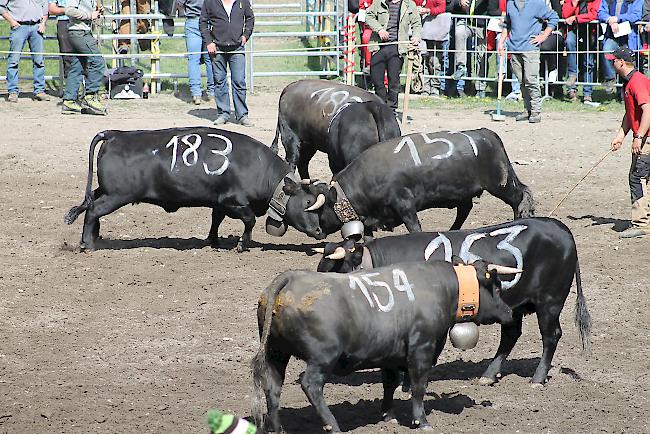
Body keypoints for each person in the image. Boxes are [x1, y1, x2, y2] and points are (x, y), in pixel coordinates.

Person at [608, 47, 650, 238]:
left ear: (621, 62)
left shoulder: (636, 83)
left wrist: (639, 137)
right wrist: (620, 136)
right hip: (643, 136)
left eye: (613, 60)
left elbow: (648, 110)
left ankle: (642, 224)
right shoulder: (630, 83)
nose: (611, 63)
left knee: (637, 177)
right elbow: (631, 113)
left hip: (646, 138)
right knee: (644, 177)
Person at [498, 0, 558, 123]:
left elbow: (554, 18)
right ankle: (527, 109)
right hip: (514, 48)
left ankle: (536, 111)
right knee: (521, 81)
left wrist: (544, 36)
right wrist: (501, 41)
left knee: (531, 80)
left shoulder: (537, 3)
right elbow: (506, 24)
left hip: (530, 48)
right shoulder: (510, 4)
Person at [200, 0, 255, 126]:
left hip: (237, 47)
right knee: (219, 81)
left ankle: (242, 115)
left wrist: (246, 35)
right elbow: (203, 22)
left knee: (239, 81)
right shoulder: (210, 2)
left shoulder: (242, 1)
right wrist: (209, 42)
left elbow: (250, 18)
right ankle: (223, 113)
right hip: (217, 48)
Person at [365, 0, 422, 114]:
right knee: (377, 80)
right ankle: (381, 106)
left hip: (397, 47)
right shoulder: (379, 2)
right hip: (378, 46)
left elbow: (416, 23)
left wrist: (416, 36)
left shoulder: (409, 4)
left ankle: (391, 109)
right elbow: (368, 17)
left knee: (394, 80)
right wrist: (379, 29)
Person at [62, 0, 108, 114]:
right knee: (98, 62)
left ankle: (69, 101)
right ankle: (90, 96)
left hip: (82, 32)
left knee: (78, 66)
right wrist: (89, 15)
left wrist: (96, 11)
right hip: (79, 33)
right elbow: (68, 10)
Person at [1, 0, 50, 102]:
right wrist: (12, 22)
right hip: (19, 26)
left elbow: (45, 7)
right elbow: (1, 6)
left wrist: (43, 23)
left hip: (37, 27)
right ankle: (13, 91)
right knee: (14, 60)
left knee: (39, 60)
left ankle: (39, 90)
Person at [598, 0, 643, 94]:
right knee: (606, 51)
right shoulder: (607, 1)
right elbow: (601, 13)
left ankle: (628, 91)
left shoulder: (637, 1)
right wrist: (609, 20)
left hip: (630, 37)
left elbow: (636, 15)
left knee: (628, 63)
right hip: (612, 35)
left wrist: (618, 19)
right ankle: (611, 79)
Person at [449, 0, 493, 97]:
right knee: (459, 32)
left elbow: (492, 7)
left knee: (481, 57)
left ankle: (480, 88)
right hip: (467, 23)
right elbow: (450, 5)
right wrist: (460, 3)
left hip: (482, 25)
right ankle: (461, 67)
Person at [563, 0, 601, 103]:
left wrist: (576, 18)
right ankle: (572, 89)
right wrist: (574, 3)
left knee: (588, 62)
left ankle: (587, 93)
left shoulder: (595, 1)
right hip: (574, 29)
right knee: (569, 41)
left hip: (590, 31)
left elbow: (594, 15)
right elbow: (565, 15)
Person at [179, 0, 215, 105]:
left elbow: (179, 2)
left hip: (193, 20)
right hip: (209, 21)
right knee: (210, 58)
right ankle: (212, 92)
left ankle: (196, 93)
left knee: (193, 59)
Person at [417, 0, 451, 97]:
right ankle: (425, 87)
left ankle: (435, 88)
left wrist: (428, 10)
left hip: (436, 31)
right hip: (422, 31)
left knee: (435, 62)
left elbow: (442, 8)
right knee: (424, 61)